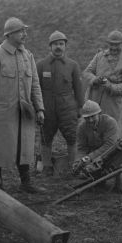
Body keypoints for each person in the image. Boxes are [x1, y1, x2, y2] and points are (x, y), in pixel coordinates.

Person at [0, 17, 45, 193]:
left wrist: (39, 108)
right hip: (1, 112)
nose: (25, 34)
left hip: (24, 112)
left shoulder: (27, 56)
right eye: (21, 31)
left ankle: (26, 182)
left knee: (24, 146)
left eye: (25, 31)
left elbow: (35, 85)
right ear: (9, 34)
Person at [36, 30, 84, 175]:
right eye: (55, 44)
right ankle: (46, 166)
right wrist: (38, 108)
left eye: (61, 44)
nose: (58, 47)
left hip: (67, 107)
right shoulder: (41, 65)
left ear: (65, 46)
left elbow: (78, 88)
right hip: (47, 107)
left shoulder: (73, 65)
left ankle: (73, 166)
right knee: (46, 136)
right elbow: (35, 88)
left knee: (72, 136)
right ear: (50, 46)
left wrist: (80, 108)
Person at [83, 30, 122, 138]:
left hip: (114, 104)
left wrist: (110, 86)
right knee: (93, 132)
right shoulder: (99, 56)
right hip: (95, 100)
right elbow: (87, 72)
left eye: (117, 45)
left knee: (113, 133)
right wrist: (95, 79)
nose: (114, 48)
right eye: (111, 44)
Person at [74, 100, 122, 194]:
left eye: (93, 116)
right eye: (87, 118)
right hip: (95, 153)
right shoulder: (82, 127)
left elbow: (110, 145)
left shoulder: (110, 123)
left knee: (118, 154)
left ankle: (119, 182)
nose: (90, 120)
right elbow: (82, 148)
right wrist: (79, 162)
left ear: (99, 113)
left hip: (111, 151)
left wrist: (90, 157)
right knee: (92, 175)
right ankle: (99, 178)